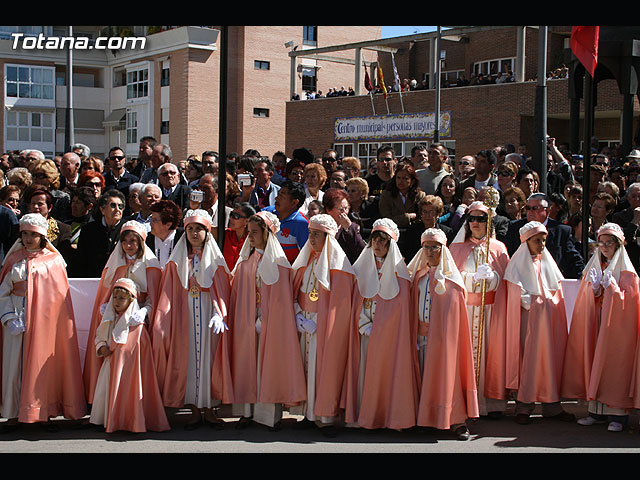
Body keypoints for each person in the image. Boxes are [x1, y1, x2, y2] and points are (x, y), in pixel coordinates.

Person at [215, 211, 306, 430]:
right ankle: (246, 412)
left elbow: (283, 299)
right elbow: (237, 293)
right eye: (249, 232)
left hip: (270, 322)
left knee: (268, 365)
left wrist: (267, 318)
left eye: (255, 232)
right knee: (248, 363)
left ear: (267, 233)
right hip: (247, 320)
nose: (251, 236)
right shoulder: (245, 262)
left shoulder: (280, 263)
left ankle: (268, 415)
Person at [0, 213, 86, 432]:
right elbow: (4, 291)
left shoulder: (54, 261)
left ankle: (41, 412)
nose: (29, 239)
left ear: (42, 236)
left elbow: (58, 298)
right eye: (25, 234)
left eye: (34, 235)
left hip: (44, 324)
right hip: (16, 321)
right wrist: (8, 317)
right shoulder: (13, 259)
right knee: (13, 367)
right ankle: (12, 414)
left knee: (41, 368)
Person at [151, 209, 231, 430]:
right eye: (190, 229)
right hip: (185, 313)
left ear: (207, 232)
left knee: (208, 357)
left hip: (208, 312)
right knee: (190, 358)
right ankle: (195, 408)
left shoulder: (215, 260)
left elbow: (223, 289)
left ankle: (210, 408)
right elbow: (169, 292)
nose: (194, 233)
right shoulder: (177, 261)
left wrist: (219, 312)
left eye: (199, 229)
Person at [562, 223, 639, 432]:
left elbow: (630, 302)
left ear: (618, 245)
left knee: (615, 366)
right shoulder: (596, 265)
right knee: (596, 363)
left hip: (616, 330)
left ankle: (618, 414)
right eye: (601, 243)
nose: (604, 247)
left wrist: (612, 288)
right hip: (598, 324)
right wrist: (593, 290)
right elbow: (585, 295)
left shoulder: (627, 271)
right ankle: (595, 412)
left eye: (609, 243)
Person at [289, 214, 358, 437]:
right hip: (305, 323)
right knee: (307, 367)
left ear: (328, 236)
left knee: (323, 369)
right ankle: (308, 414)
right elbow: (297, 290)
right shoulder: (307, 260)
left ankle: (325, 417)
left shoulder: (339, 267)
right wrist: (299, 315)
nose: (311, 238)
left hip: (324, 326)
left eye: (316, 234)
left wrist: (317, 322)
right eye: (310, 233)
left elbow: (340, 306)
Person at [407, 228, 479, 440]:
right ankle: (426, 418)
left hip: (444, 340)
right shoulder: (418, 277)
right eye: (426, 247)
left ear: (443, 249)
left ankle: (454, 420)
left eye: (434, 247)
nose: (430, 251)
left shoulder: (452, 281)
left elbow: (455, 315)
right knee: (423, 377)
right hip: (421, 336)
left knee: (447, 377)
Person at [83, 220, 163, 405]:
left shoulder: (150, 266)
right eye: (125, 241)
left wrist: (145, 311)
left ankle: (135, 405)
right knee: (112, 360)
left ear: (141, 243)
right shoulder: (116, 265)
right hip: (115, 319)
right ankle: (110, 405)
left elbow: (153, 296)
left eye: (133, 241)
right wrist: (105, 306)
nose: (128, 245)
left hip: (137, 324)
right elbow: (107, 292)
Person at [350, 219, 418, 430]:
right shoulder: (360, 270)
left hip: (389, 338)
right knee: (365, 374)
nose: (378, 245)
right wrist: (363, 324)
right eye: (374, 241)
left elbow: (402, 311)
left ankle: (389, 416)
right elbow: (355, 302)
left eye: (383, 241)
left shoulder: (402, 276)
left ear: (391, 245)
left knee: (389, 374)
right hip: (366, 333)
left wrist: (385, 329)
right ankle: (365, 416)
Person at [503, 221, 574, 425]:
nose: (541, 244)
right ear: (527, 242)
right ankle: (524, 405)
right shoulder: (518, 263)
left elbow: (555, 287)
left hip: (548, 321)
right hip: (530, 323)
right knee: (529, 361)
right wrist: (530, 302)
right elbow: (516, 290)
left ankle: (552, 404)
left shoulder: (547, 262)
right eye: (537, 241)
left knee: (549, 361)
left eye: (543, 240)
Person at [449, 201, 511, 418]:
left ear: (489, 221)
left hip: (491, 310)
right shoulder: (456, 248)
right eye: (472, 219)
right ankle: (465, 402)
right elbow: (450, 279)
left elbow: (506, 281)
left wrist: (493, 278)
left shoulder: (498, 248)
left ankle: (491, 404)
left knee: (490, 355)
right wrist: (472, 278)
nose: (476, 223)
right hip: (465, 309)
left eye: (481, 219)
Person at [89, 278, 170, 433]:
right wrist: (101, 347)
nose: (117, 302)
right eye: (115, 298)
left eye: (122, 298)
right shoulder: (109, 317)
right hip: (111, 364)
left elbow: (140, 349)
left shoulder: (137, 325)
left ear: (131, 300)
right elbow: (100, 336)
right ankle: (111, 419)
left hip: (131, 369)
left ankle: (131, 420)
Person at [503, 193, 585, 279]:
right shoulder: (515, 228)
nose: (530, 212)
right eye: (528, 208)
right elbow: (507, 255)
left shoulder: (561, 231)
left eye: (535, 208)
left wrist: (582, 275)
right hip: (522, 279)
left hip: (550, 280)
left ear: (548, 210)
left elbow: (573, 258)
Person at [75, 190, 127, 278]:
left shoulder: (128, 229)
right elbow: (81, 259)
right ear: (102, 209)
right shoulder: (88, 230)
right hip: (93, 279)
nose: (117, 209)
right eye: (113, 205)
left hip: (120, 280)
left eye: (120, 206)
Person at [262, 180, 309, 264]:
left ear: (294, 202)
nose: (276, 198)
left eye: (282, 196)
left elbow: (306, 257)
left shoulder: (301, 224)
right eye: (278, 194)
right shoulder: (267, 212)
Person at [323, 187, 365, 264]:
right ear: (328, 210)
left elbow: (361, 252)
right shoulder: (321, 227)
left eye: (346, 208)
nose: (344, 212)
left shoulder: (353, 227)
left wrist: (349, 228)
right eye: (341, 209)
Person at [379, 163, 426, 229]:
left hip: (414, 231)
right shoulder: (386, 195)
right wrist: (408, 217)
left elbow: (421, 218)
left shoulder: (420, 196)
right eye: (398, 178)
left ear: (412, 181)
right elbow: (387, 219)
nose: (401, 181)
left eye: (405, 178)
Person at [147, 200, 184, 269]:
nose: (150, 223)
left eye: (154, 220)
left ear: (168, 224)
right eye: (151, 219)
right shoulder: (147, 240)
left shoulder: (182, 238)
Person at [222, 202, 255, 270]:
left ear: (247, 221)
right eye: (231, 215)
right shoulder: (225, 234)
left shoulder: (253, 240)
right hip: (225, 279)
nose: (230, 218)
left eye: (236, 216)